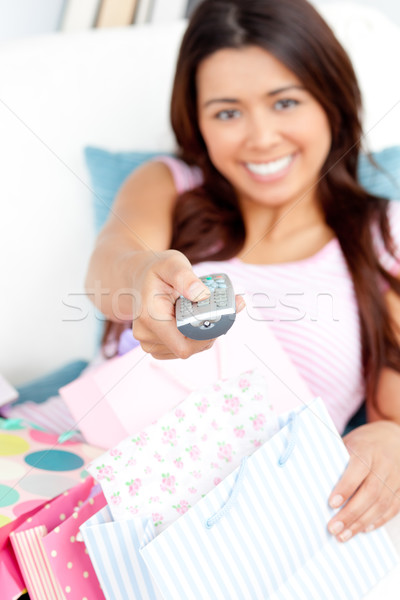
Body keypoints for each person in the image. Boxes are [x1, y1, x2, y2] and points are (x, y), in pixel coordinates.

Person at [85, 0, 400, 544]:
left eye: (285, 102)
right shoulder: (169, 186)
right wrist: (139, 279)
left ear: (331, 98)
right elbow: (107, 269)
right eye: (227, 112)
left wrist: (391, 441)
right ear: (199, 122)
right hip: (87, 488)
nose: (260, 138)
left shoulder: (382, 236)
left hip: (246, 536)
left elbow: (392, 416)